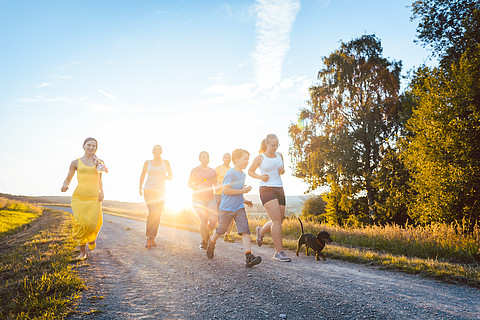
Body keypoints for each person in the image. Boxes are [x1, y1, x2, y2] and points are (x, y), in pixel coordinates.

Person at [206, 149, 262, 267]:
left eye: (248, 159)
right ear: (236, 159)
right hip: (226, 208)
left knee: (245, 230)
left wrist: (244, 200)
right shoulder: (230, 173)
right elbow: (226, 190)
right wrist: (243, 190)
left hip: (238, 208)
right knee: (221, 229)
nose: (247, 161)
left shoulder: (243, 174)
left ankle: (249, 257)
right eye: (245, 159)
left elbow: (238, 192)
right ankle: (211, 242)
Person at [61, 137, 107, 260]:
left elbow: (100, 180)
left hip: (93, 197)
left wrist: (101, 191)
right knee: (80, 223)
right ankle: (82, 253)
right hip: (79, 197)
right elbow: (68, 178)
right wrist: (65, 185)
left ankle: (91, 238)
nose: (91, 148)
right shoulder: (75, 162)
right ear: (84, 146)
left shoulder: (100, 162)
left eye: (94, 146)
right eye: (89, 145)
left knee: (94, 224)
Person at [248, 134, 291, 262]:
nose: (275, 147)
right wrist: (261, 177)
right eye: (272, 145)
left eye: (277, 145)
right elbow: (250, 171)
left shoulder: (280, 155)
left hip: (279, 188)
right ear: (266, 144)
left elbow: (282, 170)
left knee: (278, 219)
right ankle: (278, 252)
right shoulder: (260, 158)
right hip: (266, 189)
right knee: (276, 220)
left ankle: (261, 231)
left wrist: (282, 170)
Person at [139, 145, 172, 249]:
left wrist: (165, 177)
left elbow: (171, 176)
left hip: (161, 192)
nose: (156, 151)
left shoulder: (165, 162)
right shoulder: (147, 162)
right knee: (152, 212)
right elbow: (143, 175)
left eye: (158, 149)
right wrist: (140, 186)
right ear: (152, 151)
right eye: (155, 149)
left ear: (161, 151)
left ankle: (153, 237)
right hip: (149, 190)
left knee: (157, 214)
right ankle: (149, 237)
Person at [188, 151, 218, 250]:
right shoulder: (195, 170)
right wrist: (195, 186)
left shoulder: (213, 171)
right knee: (204, 219)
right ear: (200, 159)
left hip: (210, 198)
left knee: (214, 220)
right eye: (203, 157)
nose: (206, 159)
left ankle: (206, 233)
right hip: (198, 198)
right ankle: (204, 241)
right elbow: (189, 184)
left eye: (207, 157)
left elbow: (215, 184)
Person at [214, 153, 235, 243]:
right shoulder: (218, 169)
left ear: (230, 159)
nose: (227, 159)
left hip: (229, 195)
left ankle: (227, 235)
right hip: (219, 194)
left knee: (231, 215)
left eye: (229, 158)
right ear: (223, 159)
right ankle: (212, 231)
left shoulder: (232, 170)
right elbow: (213, 180)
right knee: (217, 215)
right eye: (225, 157)